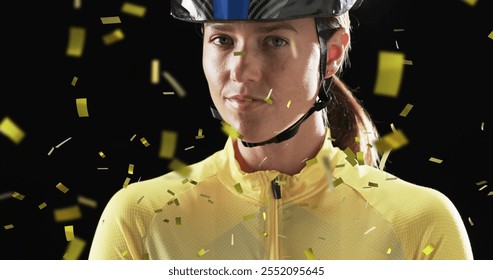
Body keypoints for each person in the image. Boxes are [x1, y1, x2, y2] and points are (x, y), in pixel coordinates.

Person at [88, 0, 473, 260]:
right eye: (223, 39)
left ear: (332, 55)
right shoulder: (138, 219)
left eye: (275, 40)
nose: (241, 70)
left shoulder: (420, 220)